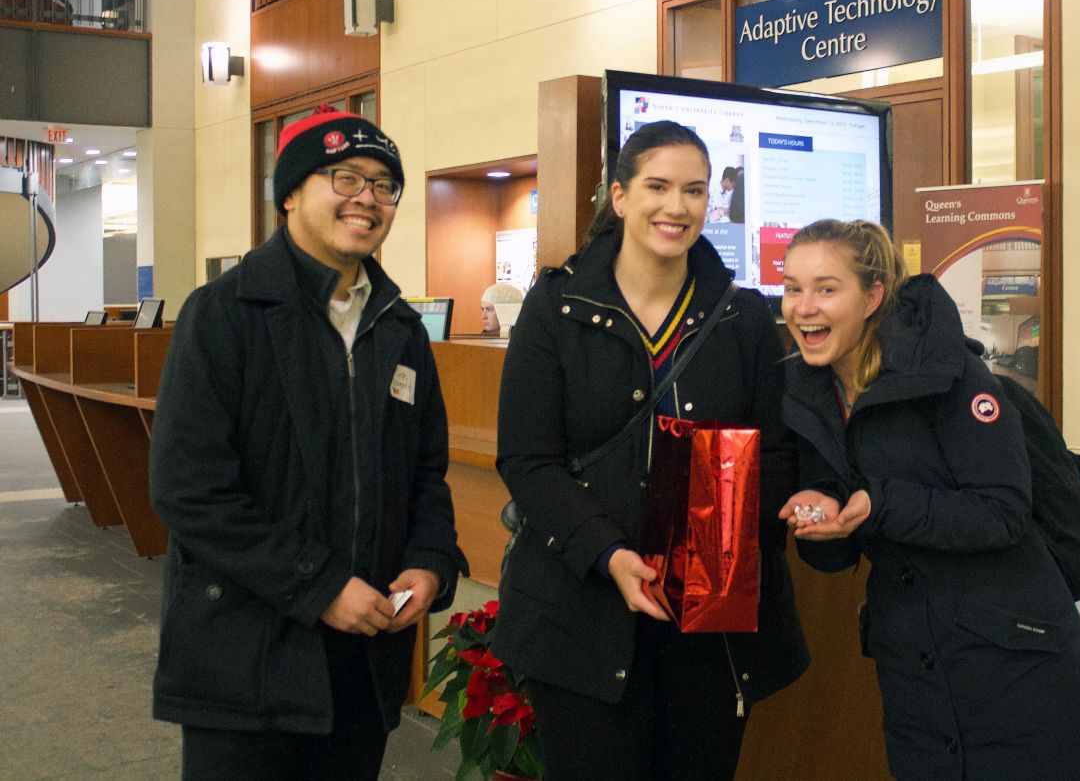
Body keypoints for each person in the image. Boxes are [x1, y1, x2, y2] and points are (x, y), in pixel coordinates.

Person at [149, 105, 468, 781]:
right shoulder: (225, 313)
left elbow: (426, 473)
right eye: (345, 177)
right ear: (291, 192)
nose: (368, 198)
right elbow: (189, 490)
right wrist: (320, 585)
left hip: (361, 661)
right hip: (246, 662)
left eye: (385, 185)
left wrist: (430, 560)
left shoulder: (399, 327)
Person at [492, 120, 808, 780]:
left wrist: (722, 549)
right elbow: (529, 459)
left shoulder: (741, 316)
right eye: (657, 186)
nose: (677, 206)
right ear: (620, 195)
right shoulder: (558, 306)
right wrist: (606, 551)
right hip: (583, 614)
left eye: (695, 190)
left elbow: (776, 453)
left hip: (707, 631)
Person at [777, 219, 1080, 780]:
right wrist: (821, 517)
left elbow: (1000, 511)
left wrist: (880, 504)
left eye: (826, 288)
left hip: (1013, 655)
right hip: (913, 658)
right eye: (793, 287)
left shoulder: (951, 377)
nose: (803, 306)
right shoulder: (809, 394)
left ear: (872, 297)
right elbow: (839, 554)